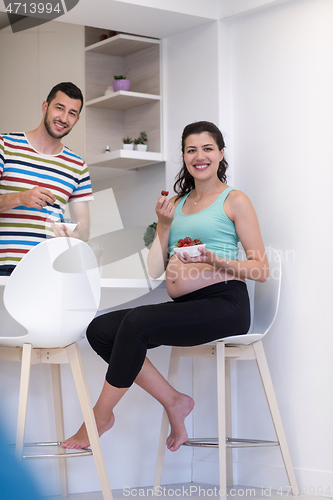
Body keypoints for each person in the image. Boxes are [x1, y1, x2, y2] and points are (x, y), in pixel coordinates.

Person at [61, 121, 269, 452]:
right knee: (100, 329)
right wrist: (164, 225)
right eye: (191, 150)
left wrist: (216, 261)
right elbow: (156, 269)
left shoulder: (235, 200)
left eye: (207, 148)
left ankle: (99, 416)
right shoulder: (177, 203)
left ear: (221, 154)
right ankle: (174, 401)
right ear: (184, 156)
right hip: (188, 306)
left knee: (137, 322)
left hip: (227, 305)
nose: (199, 156)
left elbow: (261, 269)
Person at [0, 82, 93, 275]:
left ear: (77, 120)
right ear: (45, 107)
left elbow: (83, 229)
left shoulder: (78, 166)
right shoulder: (5, 146)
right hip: (3, 267)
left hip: (47, 271)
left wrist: (73, 234)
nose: (64, 118)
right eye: (59, 108)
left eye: (72, 113)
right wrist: (20, 198)